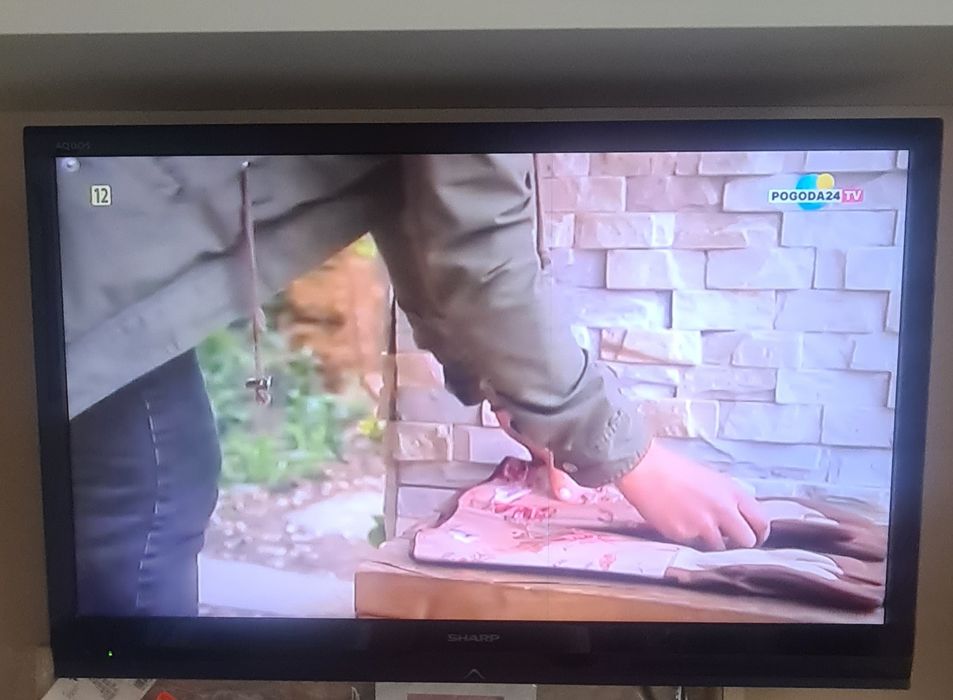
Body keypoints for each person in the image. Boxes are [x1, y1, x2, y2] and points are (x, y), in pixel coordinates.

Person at [57, 153, 768, 617]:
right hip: (78, 249)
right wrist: (634, 460)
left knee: (156, 476)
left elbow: (426, 219)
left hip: (96, 234)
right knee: (147, 489)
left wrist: (510, 396)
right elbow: (480, 256)